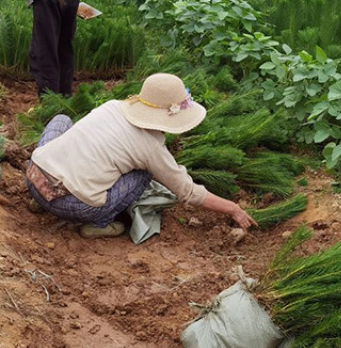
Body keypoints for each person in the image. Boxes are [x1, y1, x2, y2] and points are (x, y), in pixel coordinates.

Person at [25, 72, 258, 238]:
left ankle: (39, 199)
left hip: (33, 175)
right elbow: (188, 192)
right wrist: (233, 208)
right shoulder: (151, 148)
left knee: (62, 120)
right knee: (143, 174)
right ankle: (99, 223)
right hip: (72, 206)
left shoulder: (113, 105)